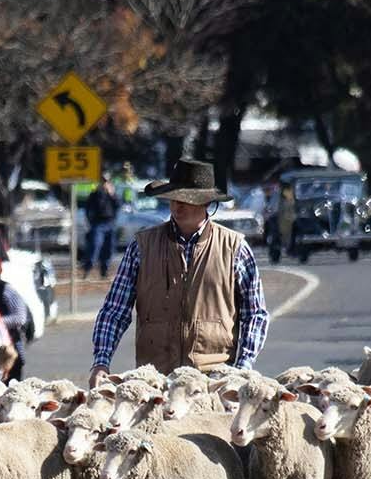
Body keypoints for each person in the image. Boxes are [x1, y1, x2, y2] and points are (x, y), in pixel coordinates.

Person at [89, 159, 267, 384]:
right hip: (155, 381)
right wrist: (101, 361)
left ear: (206, 203)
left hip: (215, 381)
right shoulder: (142, 246)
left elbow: (255, 314)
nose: (177, 206)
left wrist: (242, 367)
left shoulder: (235, 248)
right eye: (174, 198)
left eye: (186, 199)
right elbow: (115, 310)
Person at [82, 175, 121, 278]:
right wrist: (90, 222)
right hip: (98, 223)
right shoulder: (95, 194)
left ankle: (104, 271)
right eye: (103, 181)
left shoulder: (112, 194)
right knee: (95, 247)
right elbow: (87, 209)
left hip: (110, 223)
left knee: (109, 249)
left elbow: (118, 205)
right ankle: (87, 270)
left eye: (106, 181)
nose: (104, 184)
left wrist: (112, 195)